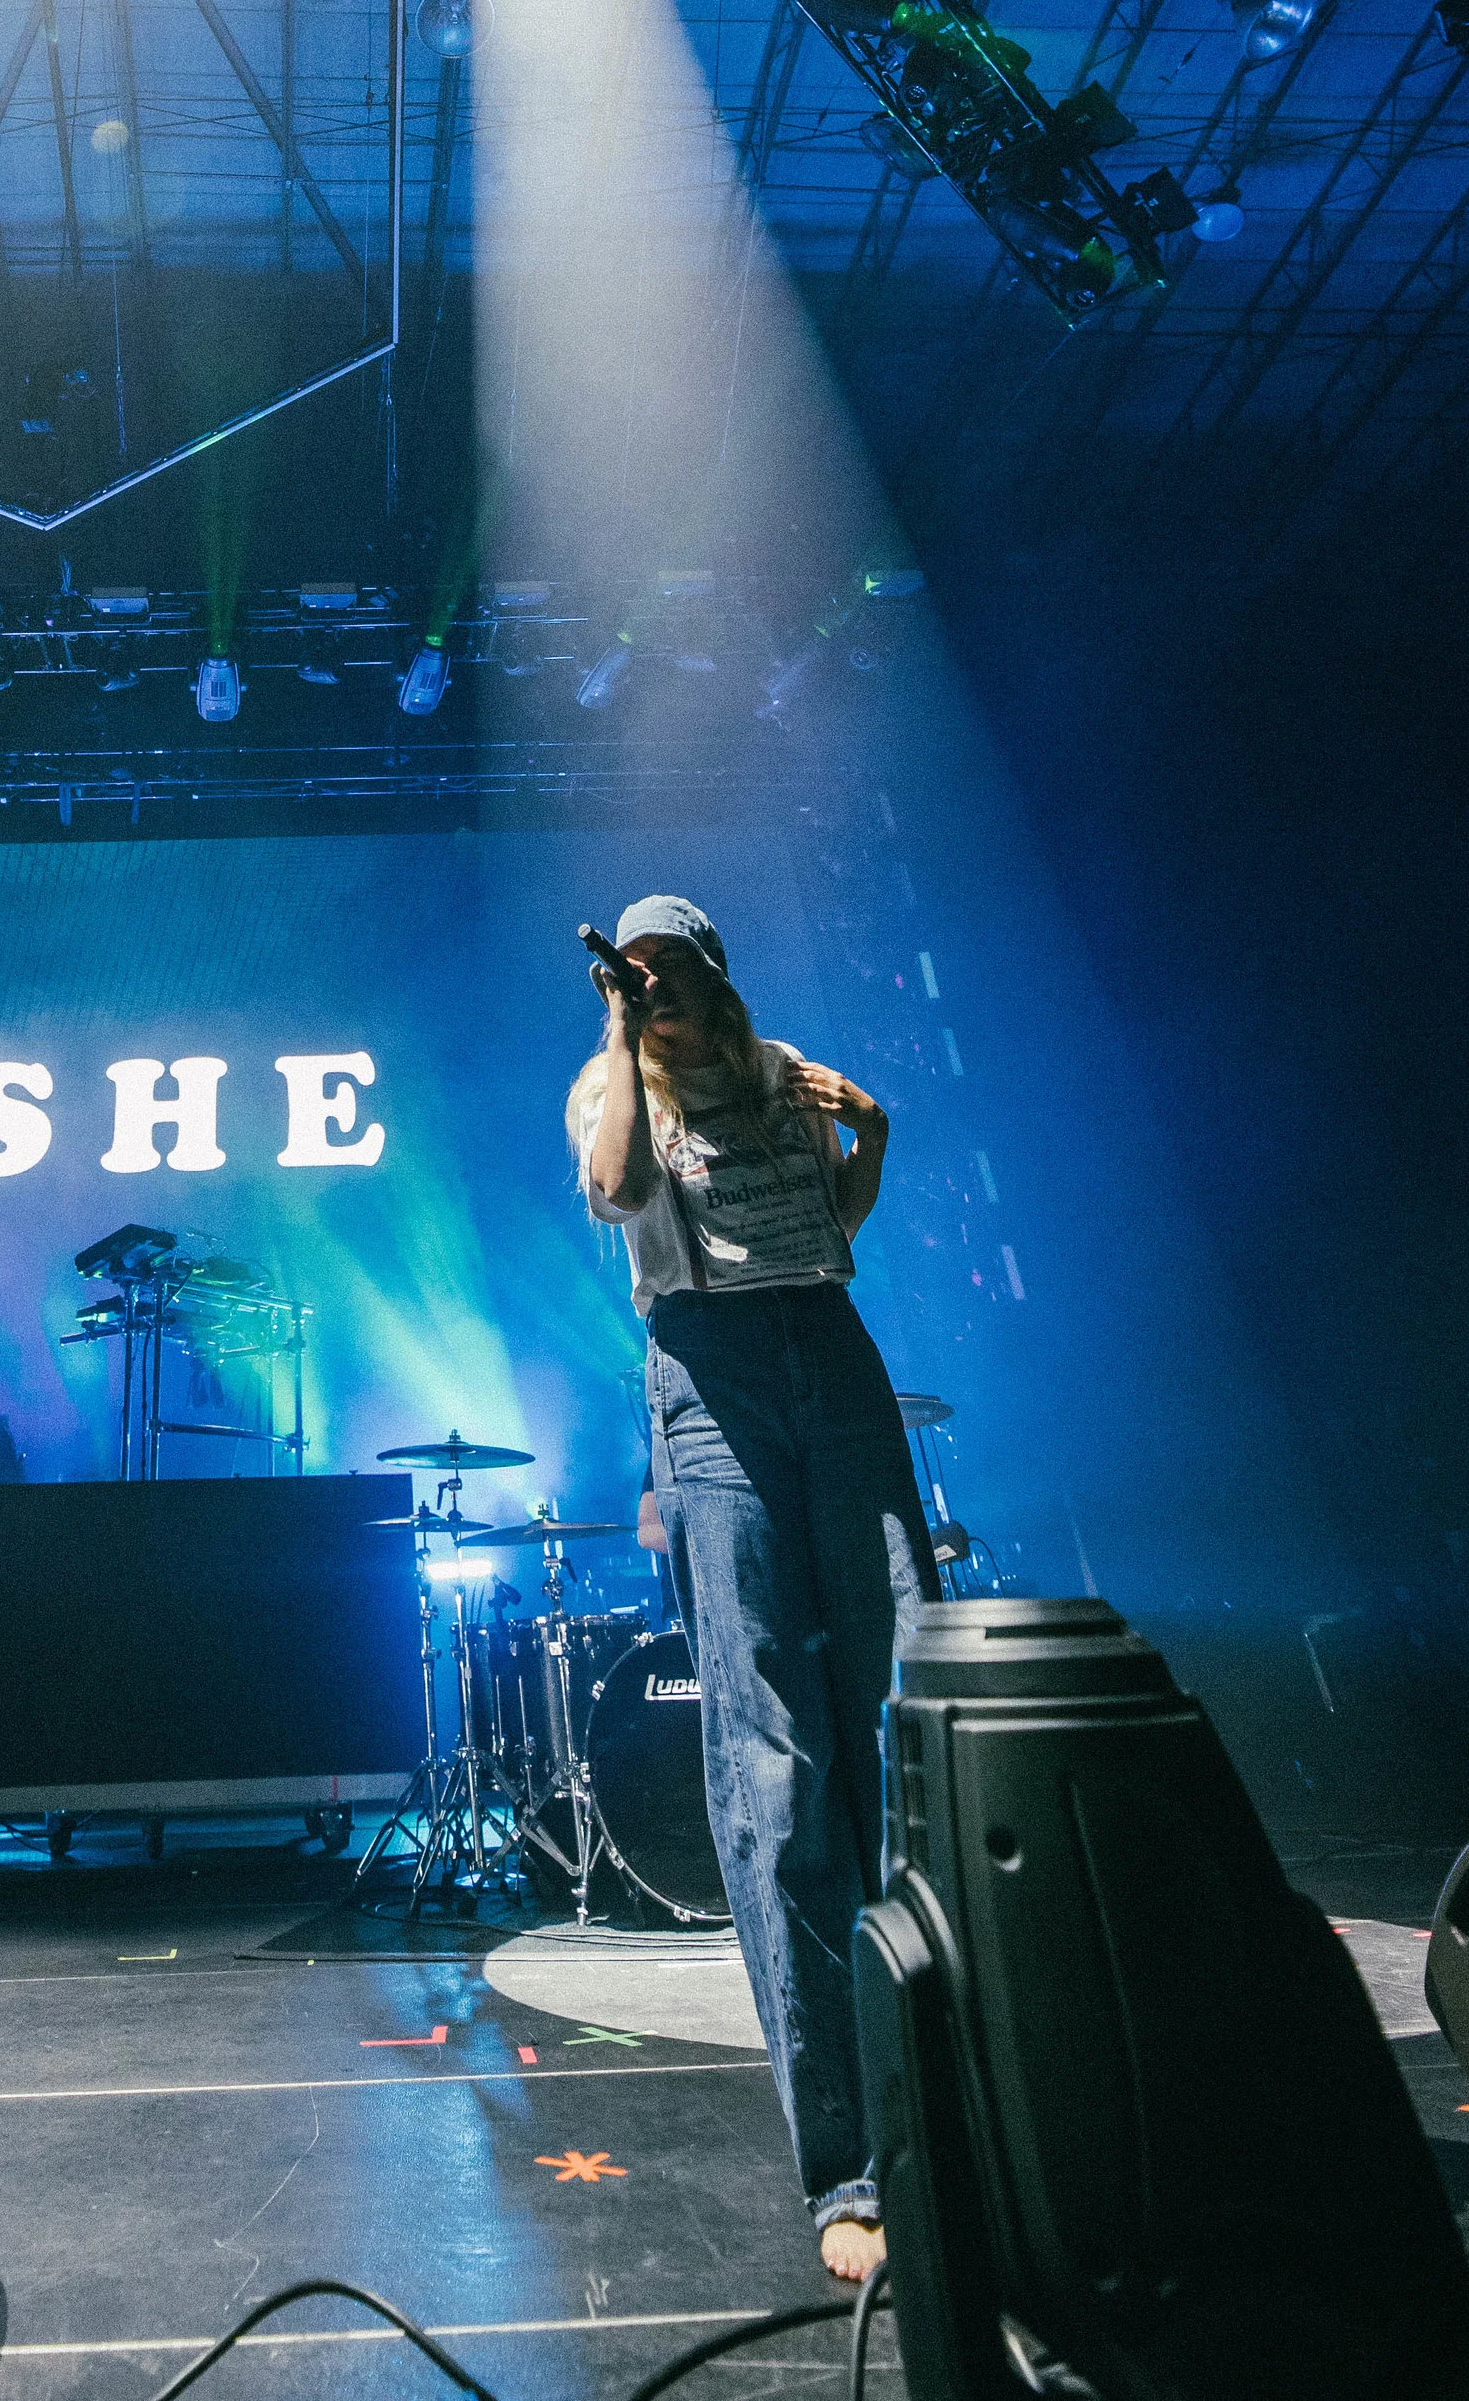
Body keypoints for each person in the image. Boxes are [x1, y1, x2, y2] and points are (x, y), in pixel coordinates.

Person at [570, 891, 936, 2285]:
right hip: (709, 1380)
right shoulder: (610, 1085)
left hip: (828, 1353)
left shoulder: (781, 1068)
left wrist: (876, 1139)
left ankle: (943, 2096)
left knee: (901, 1704)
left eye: (671, 972)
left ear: (716, 973)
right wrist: (616, 1023)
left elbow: (832, 1229)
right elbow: (615, 1190)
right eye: (634, 971)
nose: (654, 987)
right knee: (776, 1752)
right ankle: (845, 2168)